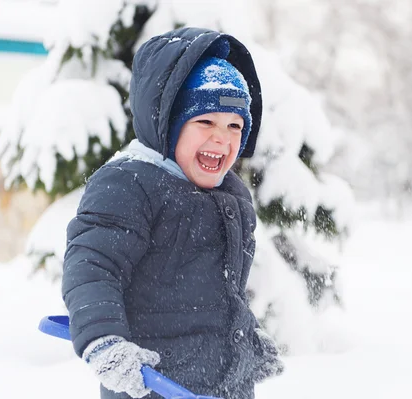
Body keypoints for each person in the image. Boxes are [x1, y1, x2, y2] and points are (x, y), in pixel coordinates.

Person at [61, 27, 284, 399]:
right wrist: (104, 341)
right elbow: (92, 267)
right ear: (169, 123)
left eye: (235, 126)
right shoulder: (129, 184)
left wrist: (245, 339)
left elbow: (224, 291)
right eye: (205, 122)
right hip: (152, 387)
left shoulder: (234, 197)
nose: (222, 138)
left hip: (225, 388)